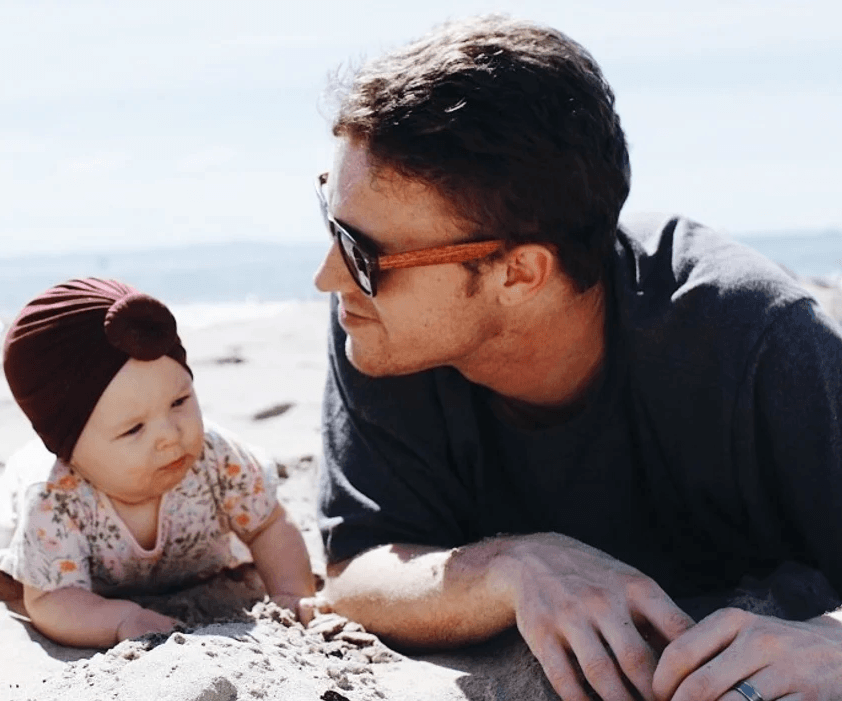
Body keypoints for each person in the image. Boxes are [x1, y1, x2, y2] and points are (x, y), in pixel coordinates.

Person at [312, 15, 842, 701]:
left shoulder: (751, 337)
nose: (328, 275)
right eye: (330, 219)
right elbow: (356, 571)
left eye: (361, 252)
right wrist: (515, 564)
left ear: (520, 273)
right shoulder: (381, 328)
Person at [0, 277, 314, 647]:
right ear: (68, 449)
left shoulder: (216, 457)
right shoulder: (56, 497)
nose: (170, 435)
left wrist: (291, 591)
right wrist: (120, 619)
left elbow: (269, 524)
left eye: (179, 402)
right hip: (38, 522)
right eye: (133, 429)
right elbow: (52, 599)